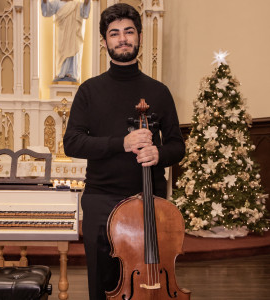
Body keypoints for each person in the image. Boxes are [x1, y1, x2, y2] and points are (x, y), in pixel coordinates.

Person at [63, 3, 185, 299]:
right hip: (100, 199)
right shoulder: (89, 91)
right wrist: (122, 143)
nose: (122, 39)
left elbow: (177, 145)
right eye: (114, 33)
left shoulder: (159, 91)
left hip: (149, 200)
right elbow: (72, 143)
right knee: (101, 282)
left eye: (129, 31)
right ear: (104, 42)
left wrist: (159, 154)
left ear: (139, 37)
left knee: (149, 275)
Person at [41, 0, 91, 82]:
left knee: (73, 51)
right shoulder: (57, 3)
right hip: (62, 33)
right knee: (62, 52)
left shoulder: (77, 4)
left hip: (74, 33)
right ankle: (61, 73)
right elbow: (47, 12)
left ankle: (72, 73)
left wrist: (86, 3)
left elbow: (84, 14)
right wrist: (45, 2)